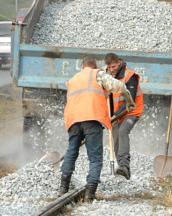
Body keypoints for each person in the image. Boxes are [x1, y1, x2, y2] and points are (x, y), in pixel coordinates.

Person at [59, 56, 134, 202]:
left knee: (71, 151)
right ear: (94, 66)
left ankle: (63, 188)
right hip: (92, 119)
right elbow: (118, 86)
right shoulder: (97, 74)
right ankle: (90, 195)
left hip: (73, 119)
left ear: (82, 66)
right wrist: (129, 100)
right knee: (95, 157)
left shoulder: (73, 79)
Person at [105, 52, 142, 180]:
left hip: (131, 111)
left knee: (122, 131)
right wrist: (108, 116)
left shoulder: (129, 76)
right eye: (109, 67)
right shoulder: (106, 77)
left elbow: (129, 100)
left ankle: (124, 166)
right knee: (115, 137)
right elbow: (107, 98)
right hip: (116, 114)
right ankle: (122, 169)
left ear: (119, 63)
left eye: (114, 67)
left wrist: (114, 115)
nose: (112, 70)